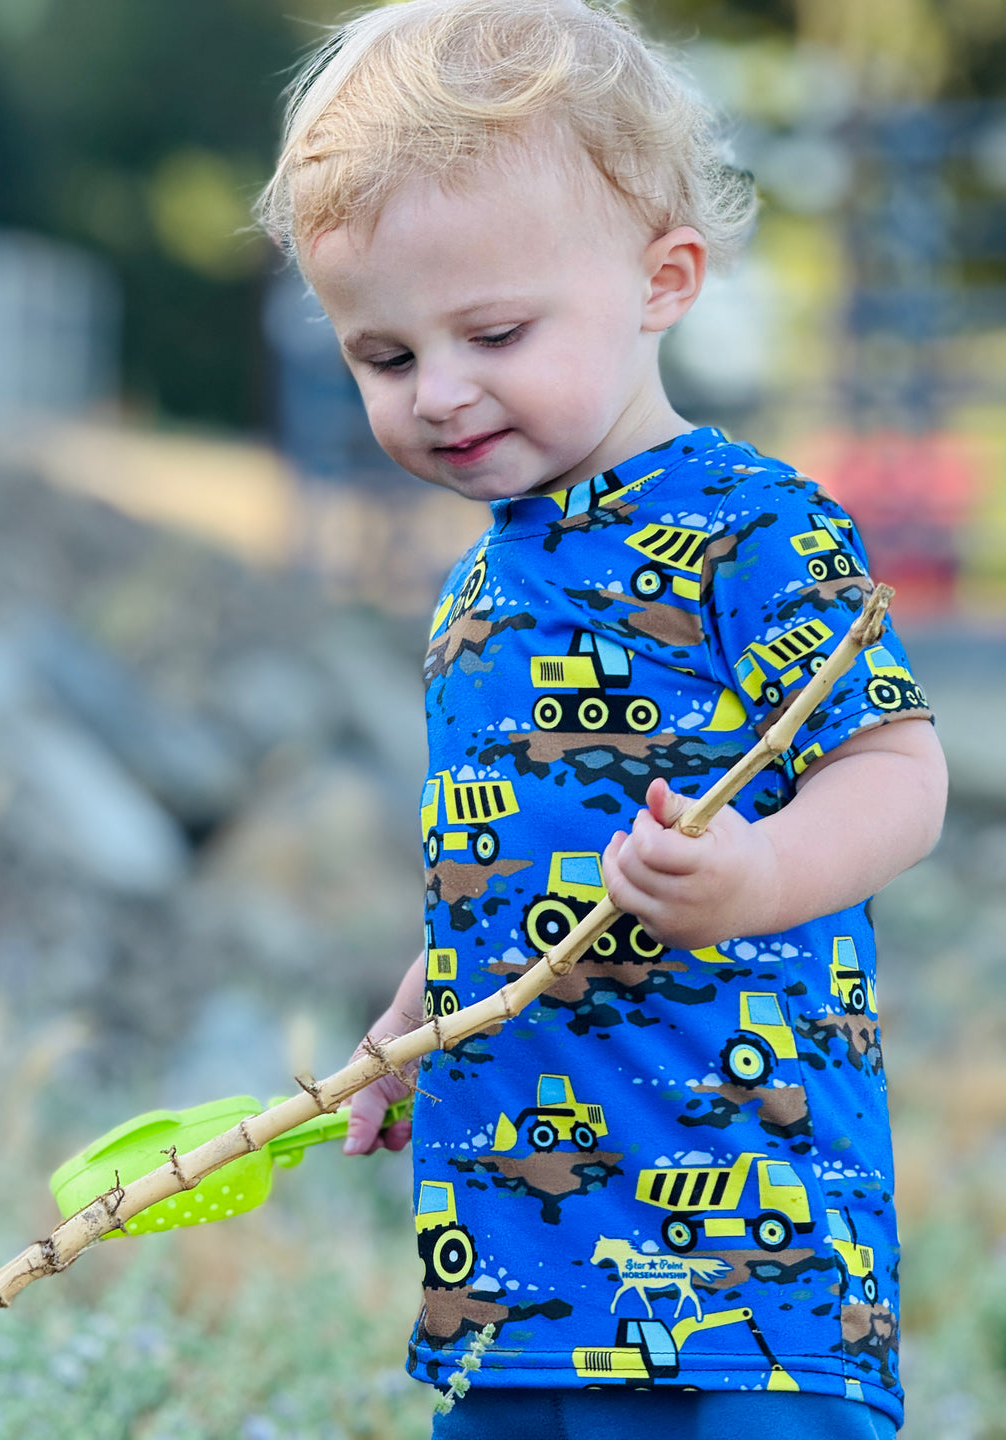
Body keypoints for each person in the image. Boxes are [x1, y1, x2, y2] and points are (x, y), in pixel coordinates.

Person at [258, 3, 947, 1435]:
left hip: (750, 1274)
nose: (439, 392)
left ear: (663, 280)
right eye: (382, 357)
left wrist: (760, 877)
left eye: (494, 332)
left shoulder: (756, 524)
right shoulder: (473, 592)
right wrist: (421, 1009)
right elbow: (507, 860)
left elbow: (900, 773)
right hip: (511, 1274)